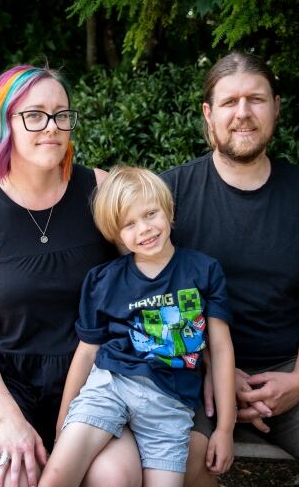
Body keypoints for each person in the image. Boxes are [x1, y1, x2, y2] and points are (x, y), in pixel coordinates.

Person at [161, 51, 299, 487]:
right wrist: (214, 369)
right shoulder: (170, 193)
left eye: (256, 100)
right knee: (176, 456)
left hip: (287, 364)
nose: (242, 114)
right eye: (229, 102)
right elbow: (148, 295)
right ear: (208, 114)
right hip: (192, 369)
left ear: (276, 107)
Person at [0, 65, 141, 487]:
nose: (52, 127)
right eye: (35, 115)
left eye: (62, 114)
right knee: (12, 476)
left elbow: (154, 271)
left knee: (116, 478)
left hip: (87, 384)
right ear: (4, 122)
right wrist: (10, 420)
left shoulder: (99, 191)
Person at [40, 166, 236, 487]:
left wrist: (225, 428)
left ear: (168, 209)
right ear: (115, 235)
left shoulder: (203, 271)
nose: (144, 229)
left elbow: (222, 348)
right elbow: (87, 353)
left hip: (171, 406)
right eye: (129, 224)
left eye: (150, 214)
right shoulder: (104, 280)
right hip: (111, 387)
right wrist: (65, 420)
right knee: (58, 475)